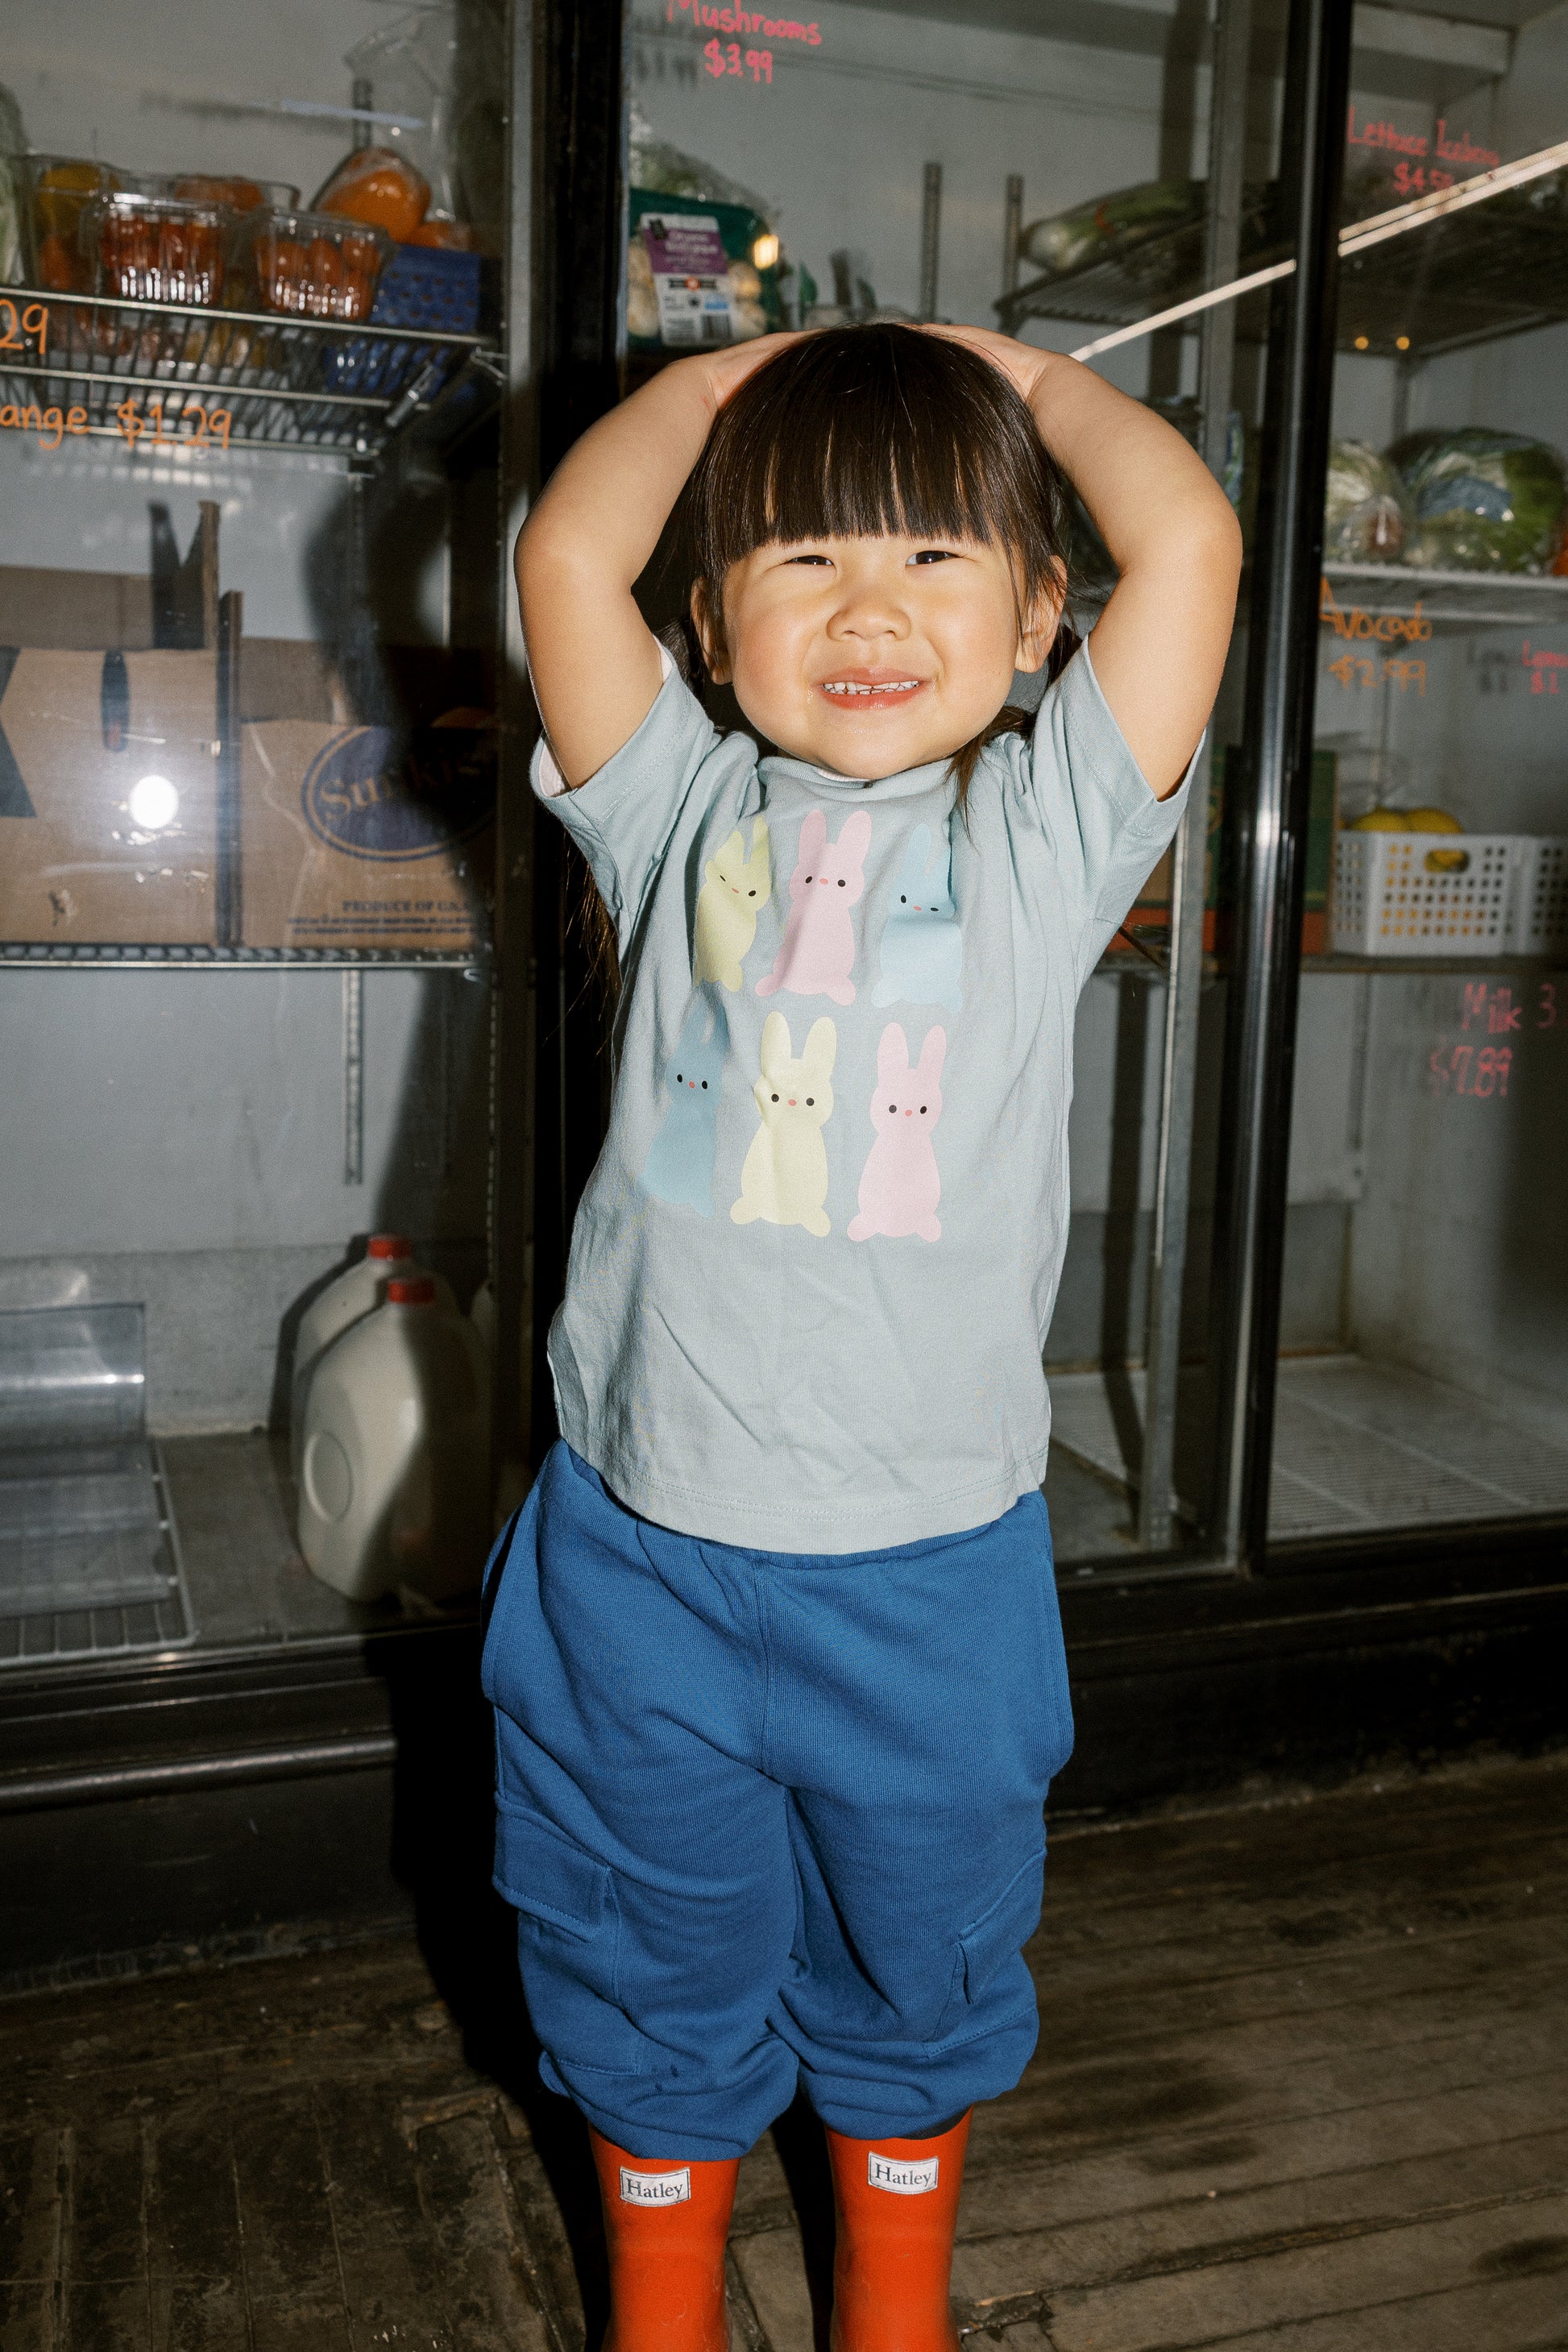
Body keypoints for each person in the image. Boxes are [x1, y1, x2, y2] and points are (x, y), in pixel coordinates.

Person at [483, 321, 1241, 2351]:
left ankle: (888, 2309)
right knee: (632, 1939)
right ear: (712, 625)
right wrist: (736, 379)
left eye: (932, 553)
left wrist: (1028, 380)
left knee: (924, 1956)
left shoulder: (1044, 835)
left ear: (1038, 617)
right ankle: (662, 2307)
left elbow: (1190, 538)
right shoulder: (672, 809)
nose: (870, 607)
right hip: (637, 1558)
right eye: (803, 556)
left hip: (927, 1577)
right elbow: (566, 551)